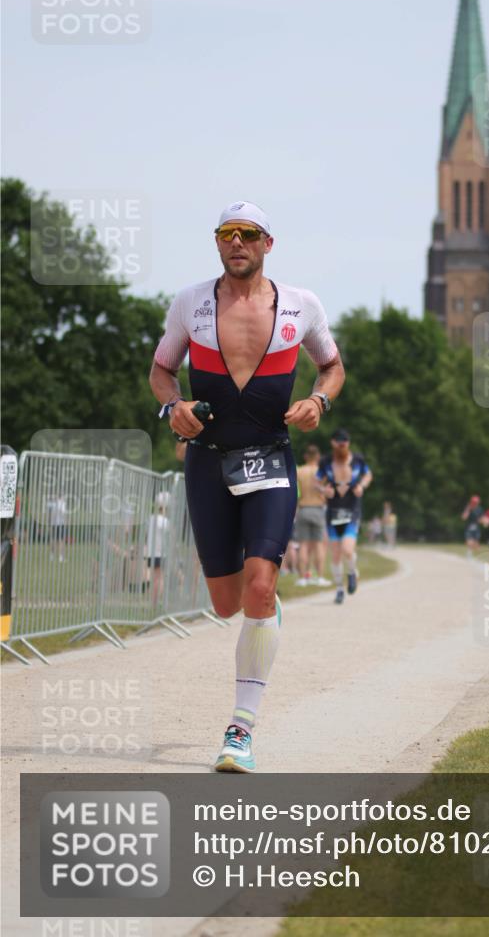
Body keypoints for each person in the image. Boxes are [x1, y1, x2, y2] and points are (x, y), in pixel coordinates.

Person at [149, 201, 345, 772]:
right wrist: (173, 407)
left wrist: (318, 400)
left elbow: (332, 366)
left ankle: (241, 730)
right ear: (217, 243)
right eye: (226, 234)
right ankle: (264, 608)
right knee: (227, 602)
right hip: (208, 460)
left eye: (248, 234)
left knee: (259, 589)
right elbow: (161, 370)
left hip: (271, 459)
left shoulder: (300, 305)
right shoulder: (190, 302)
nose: (237, 243)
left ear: (267, 243)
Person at [317, 428, 372, 604]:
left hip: (352, 510)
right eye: (339, 442)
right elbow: (316, 482)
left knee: (347, 550)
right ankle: (340, 589)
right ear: (333, 443)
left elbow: (368, 475)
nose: (342, 445)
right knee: (335, 554)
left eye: (345, 442)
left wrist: (362, 486)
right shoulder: (325, 462)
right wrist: (324, 490)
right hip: (333, 512)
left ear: (348, 443)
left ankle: (352, 572)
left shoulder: (358, 460)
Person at [295, 445, 330, 587]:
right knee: (318, 545)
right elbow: (327, 492)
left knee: (303, 545)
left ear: (305, 456)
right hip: (318, 509)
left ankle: (303, 578)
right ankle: (320, 577)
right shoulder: (322, 472)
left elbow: (295, 492)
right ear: (318, 457)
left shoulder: (299, 471)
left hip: (303, 509)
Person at [144, 491, 170, 606]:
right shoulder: (165, 521)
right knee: (159, 579)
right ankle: (155, 602)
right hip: (160, 553)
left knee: (154, 577)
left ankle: (152, 602)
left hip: (151, 552)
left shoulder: (150, 519)